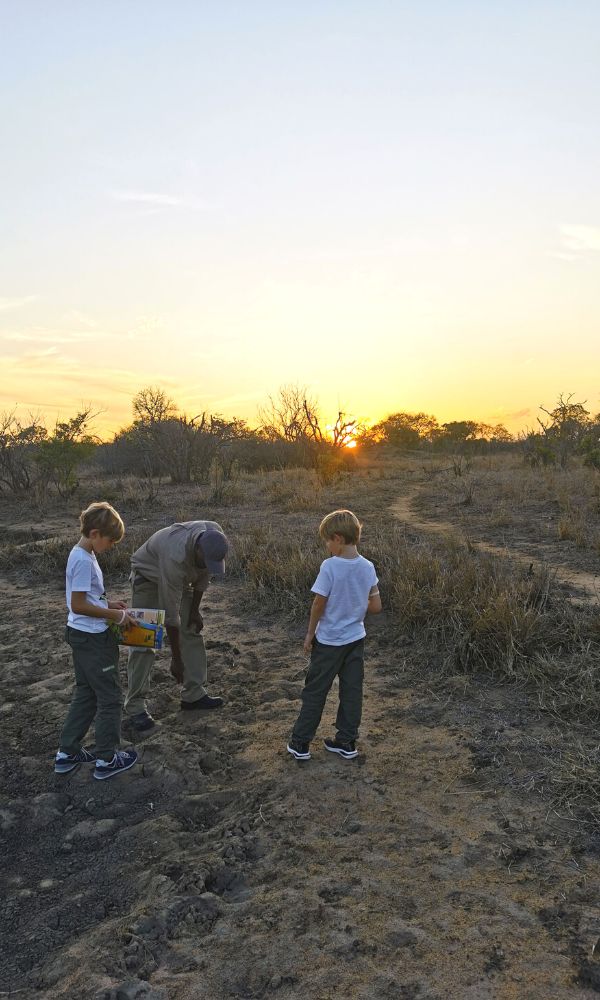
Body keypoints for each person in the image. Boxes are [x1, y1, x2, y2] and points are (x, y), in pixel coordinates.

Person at [287, 509, 382, 761]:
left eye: (327, 541)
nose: (327, 546)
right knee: (352, 692)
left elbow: (318, 603)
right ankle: (346, 742)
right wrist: (355, 603)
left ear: (338, 538)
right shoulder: (368, 566)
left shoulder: (330, 566)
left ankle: (300, 743)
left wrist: (309, 634)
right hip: (355, 641)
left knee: (316, 691)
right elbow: (376, 606)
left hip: (328, 642)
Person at [55, 502, 138, 780]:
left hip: (82, 635)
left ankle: (67, 752)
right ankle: (106, 759)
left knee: (86, 693)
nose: (111, 545)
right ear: (94, 533)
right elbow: (77, 605)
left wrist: (107, 601)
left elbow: (86, 597)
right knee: (110, 697)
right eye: (110, 540)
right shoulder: (81, 559)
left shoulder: (85, 554)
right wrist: (115, 615)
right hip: (92, 639)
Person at [124, 520, 229, 731]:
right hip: (148, 577)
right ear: (197, 549)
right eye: (204, 560)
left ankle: (194, 695)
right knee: (144, 638)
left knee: (191, 629)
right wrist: (176, 660)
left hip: (180, 578)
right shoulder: (175, 556)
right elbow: (171, 618)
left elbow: (203, 576)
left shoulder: (214, 537)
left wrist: (195, 611)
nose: (207, 565)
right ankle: (135, 707)